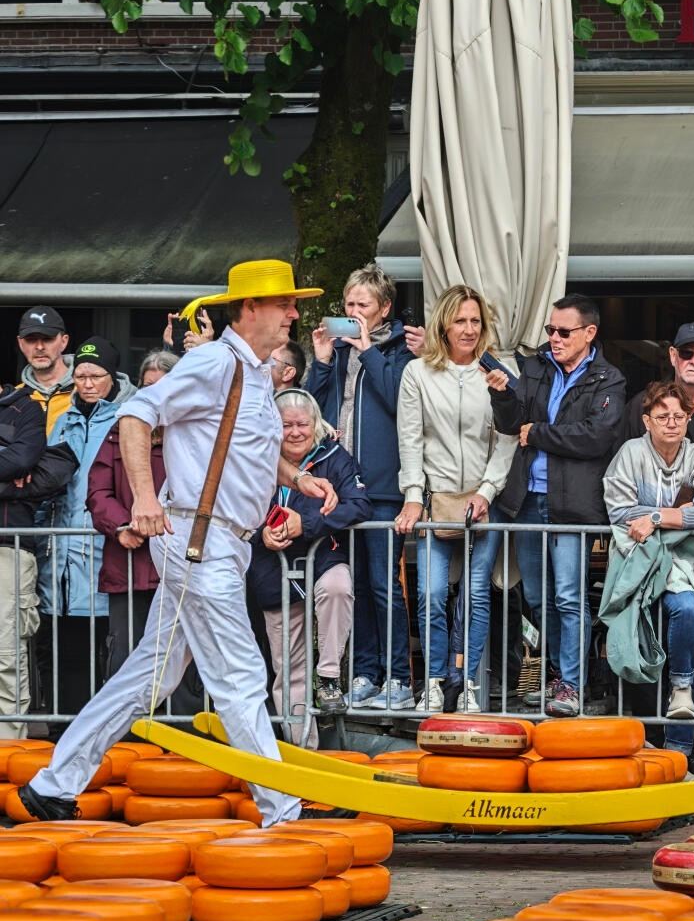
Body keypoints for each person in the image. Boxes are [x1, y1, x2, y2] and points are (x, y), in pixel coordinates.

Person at [17, 260, 339, 827]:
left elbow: (246, 448)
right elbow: (138, 415)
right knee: (241, 678)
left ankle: (53, 783)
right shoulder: (215, 362)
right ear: (249, 309)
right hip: (199, 543)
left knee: (151, 675)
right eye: (284, 304)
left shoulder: (256, 371)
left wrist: (297, 477)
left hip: (217, 542)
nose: (294, 313)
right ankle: (283, 809)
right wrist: (144, 498)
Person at [489, 294, 626, 718]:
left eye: (564, 332)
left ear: (589, 334)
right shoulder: (536, 367)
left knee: (569, 596)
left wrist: (541, 434)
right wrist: (502, 397)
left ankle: (571, 683)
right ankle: (555, 674)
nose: (554, 338)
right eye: (550, 330)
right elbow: (512, 425)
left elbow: (596, 436)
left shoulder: (609, 379)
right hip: (529, 498)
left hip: (575, 504)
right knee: (536, 595)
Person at [395, 286, 517, 714]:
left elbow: (508, 438)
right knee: (430, 593)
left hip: (485, 497)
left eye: (475, 321)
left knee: (476, 593)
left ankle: (466, 682)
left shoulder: (499, 370)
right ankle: (433, 680)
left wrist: (487, 492)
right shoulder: (418, 373)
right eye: (460, 320)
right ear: (443, 324)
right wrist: (413, 496)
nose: (468, 329)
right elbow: (410, 438)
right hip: (436, 497)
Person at [308, 266, 414, 713]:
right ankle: (367, 672)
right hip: (341, 486)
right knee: (357, 586)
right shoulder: (334, 350)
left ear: (383, 309)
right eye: (348, 306)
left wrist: (368, 350)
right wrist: (322, 360)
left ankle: (400, 677)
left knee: (384, 584)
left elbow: (397, 401)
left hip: (384, 487)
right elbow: (308, 410)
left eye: (362, 307)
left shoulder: (401, 352)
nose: (353, 314)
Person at [602, 381, 694, 745]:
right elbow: (620, 511)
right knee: (649, 654)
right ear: (647, 421)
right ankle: (647, 745)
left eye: (679, 415)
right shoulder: (630, 453)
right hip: (642, 570)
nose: (672, 422)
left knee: (691, 656)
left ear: (688, 418)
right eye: (662, 416)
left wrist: (655, 518)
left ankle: (680, 750)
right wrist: (678, 513)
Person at [250, 390, 371, 745]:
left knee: (338, 586)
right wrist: (262, 534)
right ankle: (303, 750)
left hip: (323, 558)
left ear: (316, 425)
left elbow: (360, 505)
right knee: (288, 667)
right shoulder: (255, 460)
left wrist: (307, 523)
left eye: (303, 424)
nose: (295, 432)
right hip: (271, 570)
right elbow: (234, 507)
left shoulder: (334, 456)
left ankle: (330, 676)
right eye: (286, 425)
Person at [85, 350, 197, 700]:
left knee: (180, 663)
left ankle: (183, 737)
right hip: (128, 566)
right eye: (147, 386)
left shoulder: (194, 434)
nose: (155, 395)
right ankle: (127, 741)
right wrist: (121, 525)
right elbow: (97, 491)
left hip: (180, 565)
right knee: (125, 657)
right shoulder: (120, 431)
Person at [38, 338, 137, 726]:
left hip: (109, 548)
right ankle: (67, 730)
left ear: (113, 378)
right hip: (63, 553)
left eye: (96, 375)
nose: (87, 383)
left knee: (113, 647)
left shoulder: (129, 417)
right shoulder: (65, 421)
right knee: (69, 646)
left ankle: (109, 731)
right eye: (80, 376)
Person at [620, 323, 694, 481]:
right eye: (686, 353)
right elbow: (621, 467)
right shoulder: (642, 405)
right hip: (651, 505)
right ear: (673, 355)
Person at [0, 383, 46, 733]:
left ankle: (8, 751)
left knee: (6, 654)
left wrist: (13, 463)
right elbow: (12, 464)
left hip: (9, 546)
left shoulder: (26, 408)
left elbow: (21, 459)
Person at [16, 306, 74, 434]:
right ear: (20, 343)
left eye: (48, 339)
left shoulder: (88, 391)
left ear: (64, 342)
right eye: (31, 340)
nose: (40, 347)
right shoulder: (14, 398)